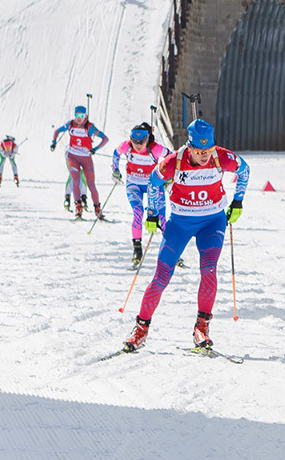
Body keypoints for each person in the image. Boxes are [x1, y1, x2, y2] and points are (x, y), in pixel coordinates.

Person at [123, 118, 248, 353]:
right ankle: (140, 329)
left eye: (208, 150)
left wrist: (237, 201)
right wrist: (153, 213)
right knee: (161, 277)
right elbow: (153, 181)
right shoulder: (174, 162)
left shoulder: (222, 157)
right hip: (180, 223)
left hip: (212, 222)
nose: (205, 156)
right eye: (199, 151)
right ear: (190, 147)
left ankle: (202, 327)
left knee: (209, 270)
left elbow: (245, 170)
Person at [112, 122, 169, 266]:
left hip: (153, 186)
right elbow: (116, 154)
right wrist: (115, 171)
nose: (138, 145)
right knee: (138, 212)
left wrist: (168, 176)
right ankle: (137, 249)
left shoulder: (155, 148)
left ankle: (172, 251)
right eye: (135, 141)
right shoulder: (126, 146)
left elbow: (172, 157)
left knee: (161, 218)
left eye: (141, 142)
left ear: (147, 139)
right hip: (134, 185)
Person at [50, 105, 107, 220]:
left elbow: (105, 139)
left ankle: (97, 209)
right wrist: (53, 142)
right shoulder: (70, 124)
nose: (79, 118)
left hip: (86, 158)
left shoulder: (90, 127)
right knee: (75, 181)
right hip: (73, 157)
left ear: (85, 116)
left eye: (81, 115)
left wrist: (95, 149)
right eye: (77, 115)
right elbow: (57, 131)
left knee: (91, 184)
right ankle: (78, 209)